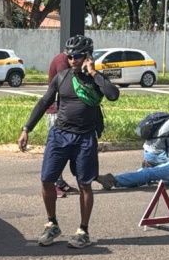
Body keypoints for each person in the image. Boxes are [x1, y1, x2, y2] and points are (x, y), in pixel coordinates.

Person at [18, 35, 120, 248]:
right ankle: (52, 224)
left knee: (85, 184)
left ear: (87, 57)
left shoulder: (96, 79)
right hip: (60, 135)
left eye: (77, 56)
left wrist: (93, 72)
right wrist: (27, 128)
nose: (72, 60)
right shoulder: (62, 77)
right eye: (69, 56)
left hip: (85, 137)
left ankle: (83, 231)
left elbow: (112, 95)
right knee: (47, 179)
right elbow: (44, 102)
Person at [46, 50, 79, 198]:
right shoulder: (62, 62)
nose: (75, 61)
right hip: (57, 111)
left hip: (63, 110)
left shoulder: (65, 60)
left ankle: (59, 182)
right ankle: (53, 184)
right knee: (57, 149)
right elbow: (67, 83)